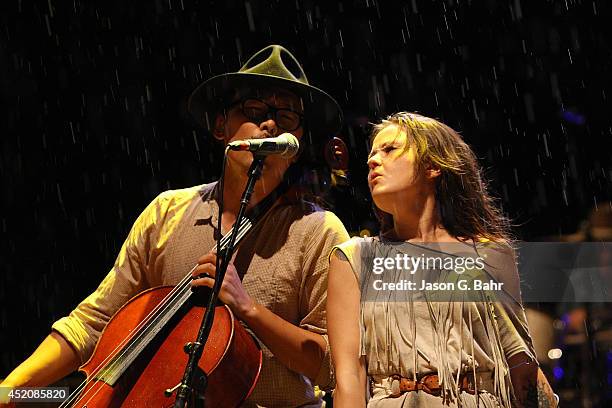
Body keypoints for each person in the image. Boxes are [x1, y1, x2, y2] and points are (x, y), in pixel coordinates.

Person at [1, 45, 349, 407]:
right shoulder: (167, 212)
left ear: (296, 143)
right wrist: (9, 391)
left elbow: (332, 365)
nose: (271, 123)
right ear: (220, 126)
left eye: (287, 116)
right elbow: (92, 323)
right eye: (254, 109)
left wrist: (248, 310)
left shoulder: (319, 231)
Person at [327, 112, 558, 407]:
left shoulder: (488, 256)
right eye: (371, 154)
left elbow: (521, 366)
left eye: (389, 150)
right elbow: (349, 379)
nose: (372, 161)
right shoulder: (354, 257)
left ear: (433, 166)